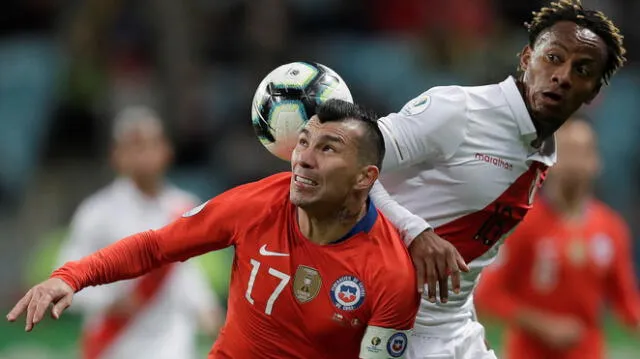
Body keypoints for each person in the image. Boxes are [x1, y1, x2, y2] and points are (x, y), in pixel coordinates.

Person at [7, 99, 420, 359]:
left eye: (327, 148)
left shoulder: (391, 274)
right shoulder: (255, 204)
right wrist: (71, 277)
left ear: (365, 177)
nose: (304, 158)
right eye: (303, 142)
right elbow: (156, 248)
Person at [368, 1, 627, 358]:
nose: (563, 76)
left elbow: (471, 258)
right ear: (526, 58)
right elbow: (350, 162)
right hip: (391, 324)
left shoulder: (539, 153)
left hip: (453, 330)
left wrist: (468, 330)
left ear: (594, 92)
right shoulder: (458, 110)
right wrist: (414, 231)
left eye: (581, 69)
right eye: (553, 58)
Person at [57, 106, 223, 359]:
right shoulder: (97, 212)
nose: (143, 154)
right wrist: (106, 302)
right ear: (116, 155)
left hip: (173, 342)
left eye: (151, 144)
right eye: (134, 145)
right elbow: (65, 276)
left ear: (166, 150)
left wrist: (207, 309)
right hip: (116, 342)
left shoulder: (184, 206)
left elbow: (187, 272)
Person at [474, 117, 640, 359]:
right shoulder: (522, 224)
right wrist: (542, 325)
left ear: (596, 161)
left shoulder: (611, 228)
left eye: (583, 152)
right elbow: (488, 295)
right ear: (549, 162)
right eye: (568, 152)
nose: (575, 162)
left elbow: (626, 302)